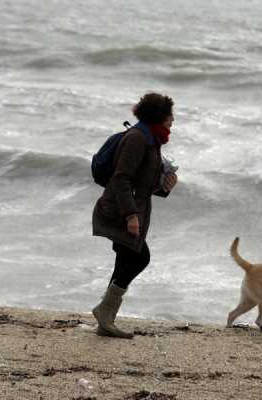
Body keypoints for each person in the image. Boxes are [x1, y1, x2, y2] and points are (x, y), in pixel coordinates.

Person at [91, 92, 178, 338]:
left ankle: (105, 320)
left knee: (126, 260)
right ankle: (104, 312)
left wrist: (164, 187)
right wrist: (130, 216)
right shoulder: (137, 139)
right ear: (158, 117)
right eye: (169, 115)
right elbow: (120, 179)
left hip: (132, 209)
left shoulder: (151, 139)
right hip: (120, 210)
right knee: (139, 258)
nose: (172, 120)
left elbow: (142, 183)